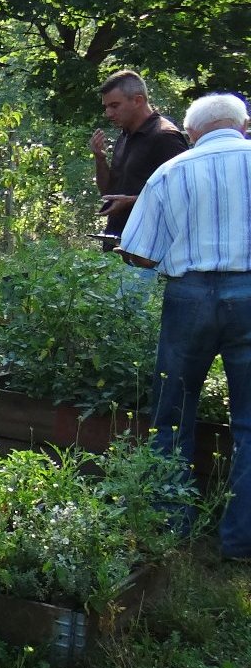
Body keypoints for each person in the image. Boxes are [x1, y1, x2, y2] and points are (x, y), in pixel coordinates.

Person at [118, 92, 251, 562]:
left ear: (193, 132)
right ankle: (240, 541)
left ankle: (171, 527)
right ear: (243, 123)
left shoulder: (172, 171)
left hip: (190, 296)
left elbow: (139, 253)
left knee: (172, 410)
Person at [90, 70, 189, 254]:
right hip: (119, 244)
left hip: (150, 250)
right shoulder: (125, 135)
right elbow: (108, 193)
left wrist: (131, 202)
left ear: (138, 100)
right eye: (106, 107)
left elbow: (182, 195)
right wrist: (100, 159)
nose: (108, 113)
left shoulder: (165, 136)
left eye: (114, 106)